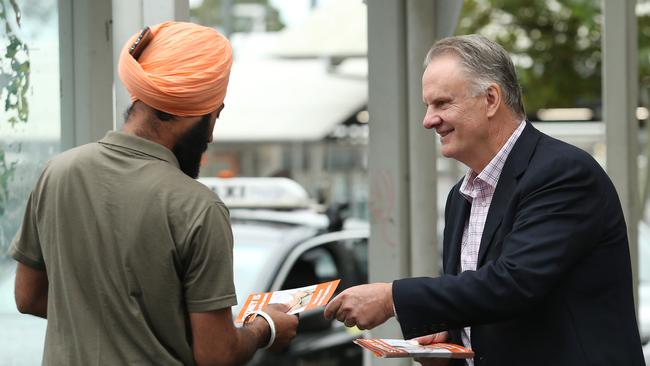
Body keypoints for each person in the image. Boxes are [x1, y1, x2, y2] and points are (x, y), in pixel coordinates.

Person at [324, 34, 645, 366]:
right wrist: (451, 346)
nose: (428, 120)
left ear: (491, 98)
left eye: (442, 103)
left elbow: (514, 283)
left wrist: (392, 297)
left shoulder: (563, 173)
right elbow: (484, 304)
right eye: (427, 105)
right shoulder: (459, 197)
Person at [10, 21, 298, 365]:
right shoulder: (198, 207)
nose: (210, 138)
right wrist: (265, 327)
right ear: (193, 112)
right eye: (214, 116)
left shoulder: (57, 172)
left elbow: (28, 297)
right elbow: (216, 354)